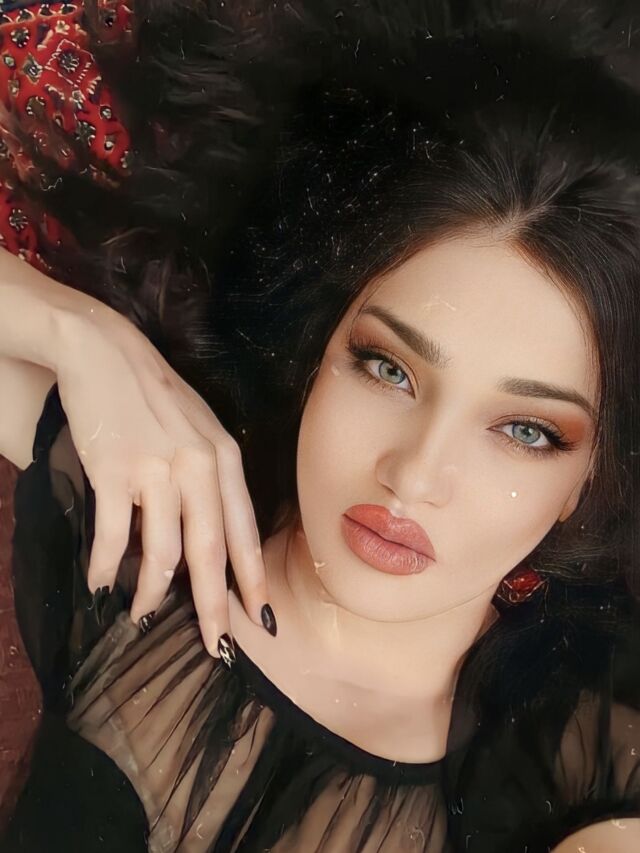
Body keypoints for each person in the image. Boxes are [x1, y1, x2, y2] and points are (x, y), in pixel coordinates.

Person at [2, 1, 640, 851]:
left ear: (589, 479)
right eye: (388, 368)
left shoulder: (586, 763)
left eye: (526, 430)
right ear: (318, 347)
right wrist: (83, 338)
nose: (413, 475)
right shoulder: (145, 515)